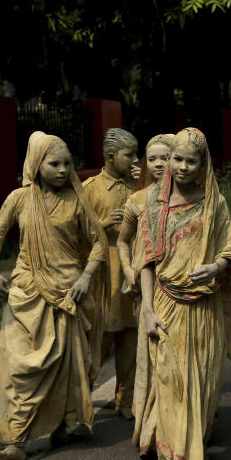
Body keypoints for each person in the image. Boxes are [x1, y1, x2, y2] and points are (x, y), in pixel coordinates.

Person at [136, 127, 231, 460]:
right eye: (177, 158)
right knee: (173, 385)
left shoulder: (214, 204)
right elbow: (146, 261)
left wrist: (216, 267)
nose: (181, 166)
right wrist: (146, 310)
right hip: (165, 306)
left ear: (203, 165)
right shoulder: (153, 206)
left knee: (203, 389)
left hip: (205, 309)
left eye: (191, 161)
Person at [0, 131, 108, 460]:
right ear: (37, 164)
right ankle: (16, 440)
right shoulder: (19, 199)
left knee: (65, 365)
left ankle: (61, 428)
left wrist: (86, 277)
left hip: (69, 292)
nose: (63, 170)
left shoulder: (76, 200)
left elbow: (99, 242)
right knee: (21, 367)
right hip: (26, 291)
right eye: (54, 163)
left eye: (67, 164)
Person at [117, 133, 174, 460]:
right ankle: (150, 430)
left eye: (165, 157)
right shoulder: (138, 201)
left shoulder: (188, 199)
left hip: (181, 290)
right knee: (150, 358)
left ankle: (172, 427)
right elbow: (123, 241)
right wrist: (127, 269)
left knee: (173, 362)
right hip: (147, 290)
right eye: (152, 158)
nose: (158, 164)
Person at [82, 128, 141, 418]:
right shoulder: (90, 188)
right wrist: (102, 224)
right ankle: (82, 401)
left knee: (130, 339)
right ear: (109, 156)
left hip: (132, 275)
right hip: (104, 276)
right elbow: (75, 231)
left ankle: (126, 400)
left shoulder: (138, 186)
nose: (135, 160)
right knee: (98, 340)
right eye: (129, 155)